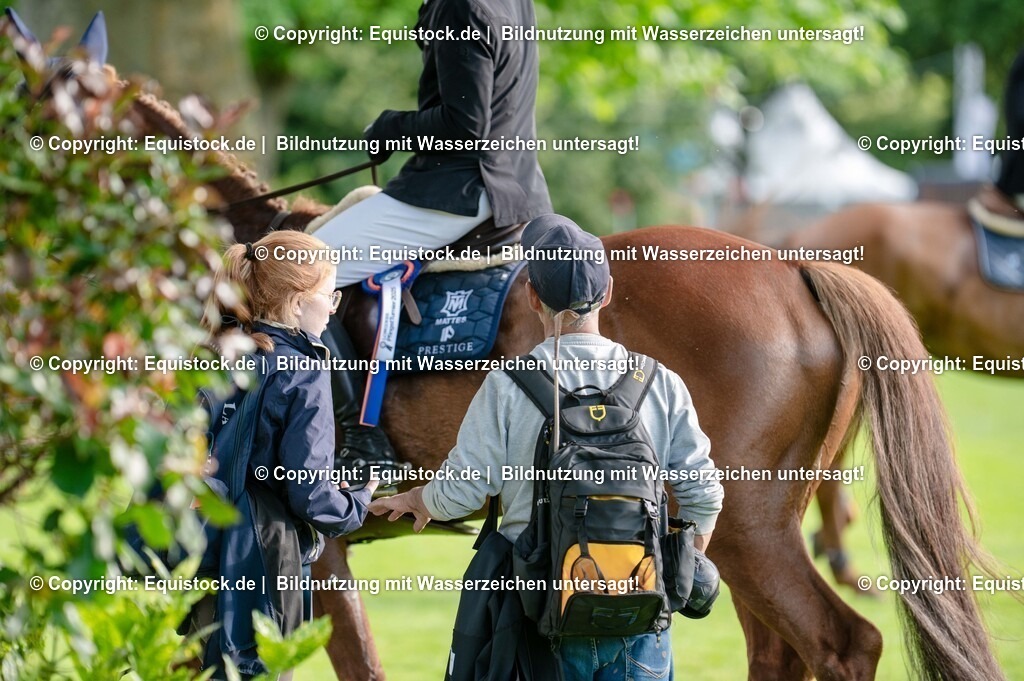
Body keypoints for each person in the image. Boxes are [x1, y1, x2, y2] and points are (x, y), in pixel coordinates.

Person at [369, 214, 724, 679]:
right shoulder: (661, 383)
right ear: (609, 292)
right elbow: (705, 496)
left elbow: (461, 493)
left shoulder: (506, 386)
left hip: (541, 616)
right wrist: (678, 571)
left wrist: (417, 498)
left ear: (532, 295)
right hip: (641, 615)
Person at [313, 0, 553, 473]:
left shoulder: (462, 5)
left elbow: (465, 127)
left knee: (295, 270)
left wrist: (390, 127)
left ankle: (360, 440)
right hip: (515, 185)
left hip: (461, 189)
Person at [199, 231, 378, 678]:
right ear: (298, 304)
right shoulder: (306, 370)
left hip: (205, 544)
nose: (333, 307)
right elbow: (310, 494)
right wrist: (356, 502)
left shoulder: (219, 353)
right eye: (329, 296)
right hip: (266, 552)